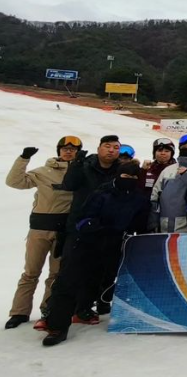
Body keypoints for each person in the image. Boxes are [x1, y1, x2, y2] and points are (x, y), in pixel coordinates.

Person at [41, 161, 149, 346]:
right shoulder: (102, 193)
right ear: (118, 176)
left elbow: (138, 223)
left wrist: (133, 233)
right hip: (87, 242)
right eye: (125, 176)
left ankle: (83, 310)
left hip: (112, 245)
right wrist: (95, 228)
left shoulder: (139, 198)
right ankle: (57, 325)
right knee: (69, 281)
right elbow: (83, 218)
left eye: (133, 177)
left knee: (96, 282)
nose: (129, 180)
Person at [5, 136, 79, 330]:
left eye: (73, 148)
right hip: (39, 228)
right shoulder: (43, 172)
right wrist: (23, 158)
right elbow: (15, 182)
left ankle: (48, 310)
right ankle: (19, 312)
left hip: (63, 230)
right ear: (59, 150)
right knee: (30, 272)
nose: (68, 151)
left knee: (55, 274)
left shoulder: (80, 172)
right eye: (64, 148)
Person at [55, 134, 121, 323]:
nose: (111, 150)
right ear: (99, 148)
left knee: (95, 273)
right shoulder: (85, 166)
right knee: (69, 272)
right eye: (107, 146)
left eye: (116, 147)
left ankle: (83, 309)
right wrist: (76, 164)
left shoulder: (120, 170)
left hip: (105, 230)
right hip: (79, 228)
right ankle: (55, 315)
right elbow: (69, 185)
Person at [150, 134, 187, 233]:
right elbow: (155, 197)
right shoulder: (169, 170)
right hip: (165, 224)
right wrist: (153, 222)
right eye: (184, 148)